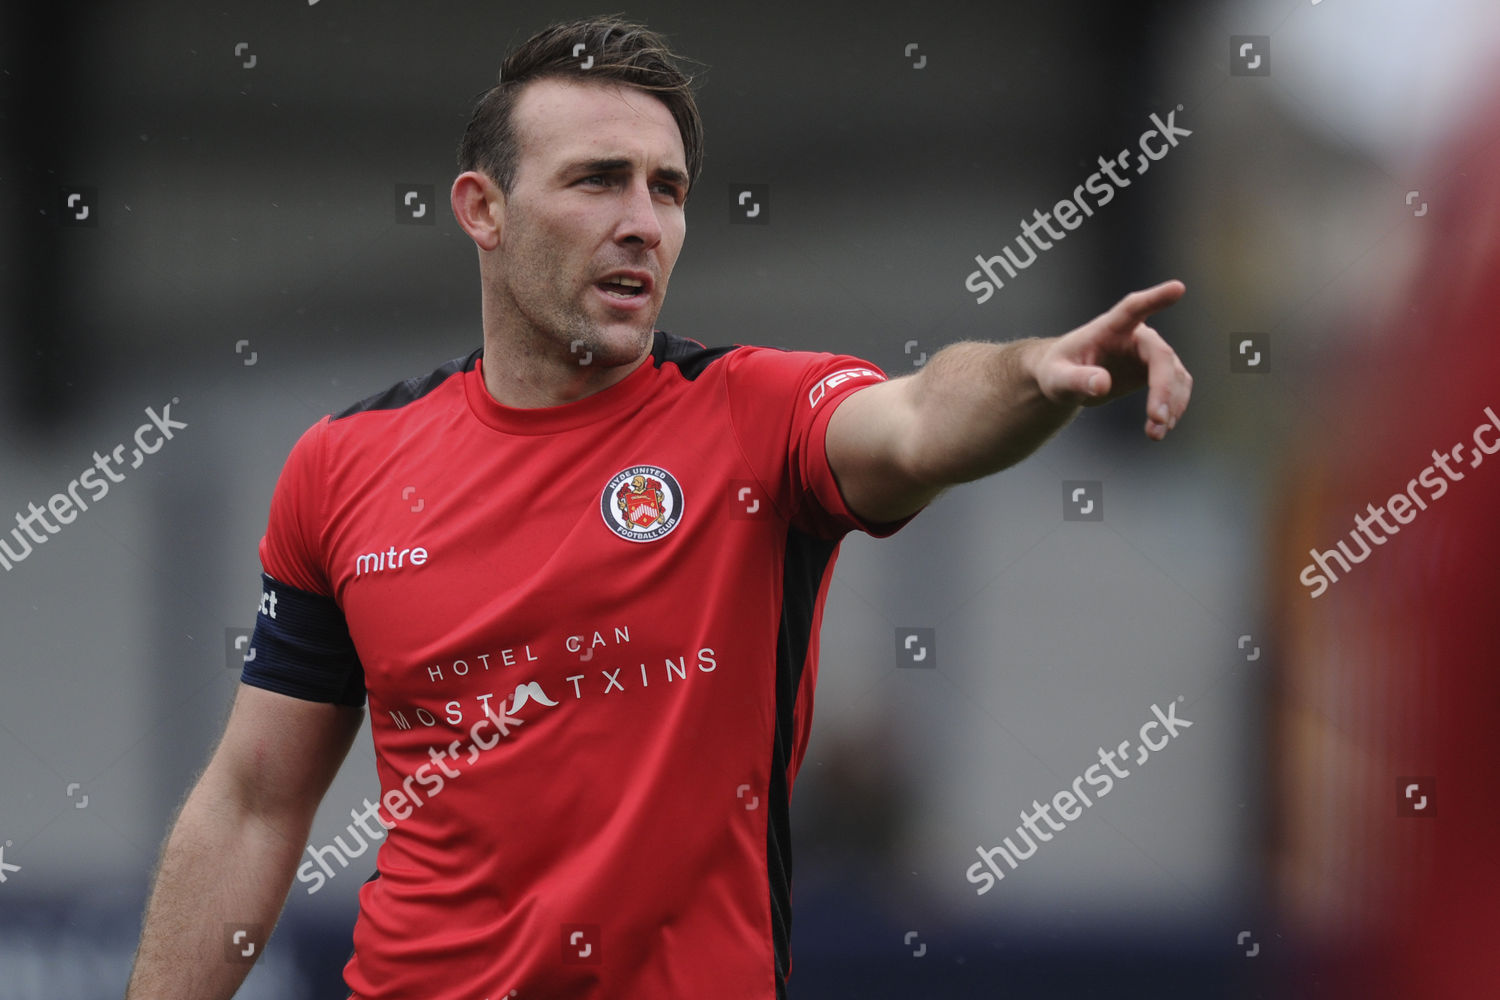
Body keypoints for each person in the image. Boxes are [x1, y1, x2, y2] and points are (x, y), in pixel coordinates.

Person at [123, 15, 1192, 1000]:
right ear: (481, 210)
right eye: (598, 181)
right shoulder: (342, 465)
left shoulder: (754, 416)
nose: (643, 223)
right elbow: (255, 802)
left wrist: (1036, 369)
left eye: (667, 190)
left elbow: (918, 418)